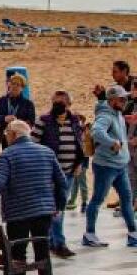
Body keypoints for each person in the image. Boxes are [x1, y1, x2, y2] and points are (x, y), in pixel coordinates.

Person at [0, 120, 65, 275]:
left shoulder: (7, 155)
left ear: (13, 135)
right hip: (43, 212)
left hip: (18, 213)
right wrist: (59, 205)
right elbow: (61, 181)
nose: (6, 138)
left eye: (7, 134)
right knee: (43, 254)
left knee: (18, 255)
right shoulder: (46, 152)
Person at [82, 84, 137, 247]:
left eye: (125, 98)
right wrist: (111, 142)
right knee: (98, 199)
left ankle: (133, 233)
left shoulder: (117, 113)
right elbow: (97, 132)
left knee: (127, 198)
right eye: (122, 99)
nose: (125, 101)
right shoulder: (106, 115)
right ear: (113, 100)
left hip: (120, 165)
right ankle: (89, 234)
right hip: (106, 166)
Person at [32, 90, 85, 258]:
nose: (58, 106)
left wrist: (79, 163)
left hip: (69, 172)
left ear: (68, 104)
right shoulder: (44, 121)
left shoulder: (74, 120)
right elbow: (33, 143)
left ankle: (51, 241)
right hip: (49, 173)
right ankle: (58, 243)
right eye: (55, 102)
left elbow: (80, 142)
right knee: (56, 208)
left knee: (58, 207)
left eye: (61, 102)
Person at [0, 75, 36, 150]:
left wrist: (17, 122)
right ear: (9, 85)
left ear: (22, 88)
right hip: (5, 138)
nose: (15, 86)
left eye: (18, 85)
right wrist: (4, 118)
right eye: (13, 83)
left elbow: (31, 123)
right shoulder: (3, 100)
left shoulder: (28, 104)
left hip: (21, 139)